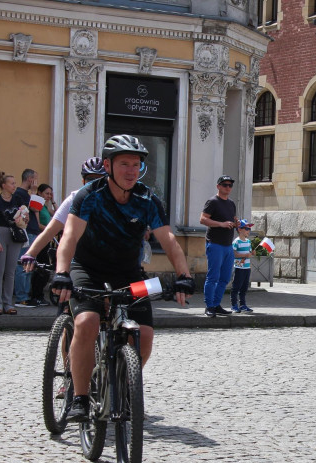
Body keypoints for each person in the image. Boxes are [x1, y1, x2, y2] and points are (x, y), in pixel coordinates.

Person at [52, 134, 194, 422]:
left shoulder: (146, 199)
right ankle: (79, 397)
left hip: (129, 274)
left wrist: (184, 276)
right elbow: (69, 237)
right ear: (108, 165)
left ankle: (122, 380)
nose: (131, 171)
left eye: (136, 164)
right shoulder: (89, 195)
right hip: (87, 270)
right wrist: (62, 273)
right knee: (87, 321)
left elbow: (169, 241)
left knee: (145, 334)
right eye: (124, 164)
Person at [21, 157, 107, 273]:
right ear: (83, 181)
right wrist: (30, 254)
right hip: (80, 260)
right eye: (90, 179)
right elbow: (51, 230)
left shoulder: (117, 200)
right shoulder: (74, 198)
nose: (94, 184)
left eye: (99, 180)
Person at [0, 172, 28, 315]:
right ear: (4, 185)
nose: (14, 186)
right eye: (12, 183)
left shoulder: (17, 199)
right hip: (1, 233)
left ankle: (8, 303)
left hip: (15, 235)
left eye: (15, 183)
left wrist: (24, 217)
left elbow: (25, 218)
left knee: (11, 272)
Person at [199, 175, 239, 318]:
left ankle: (216, 304)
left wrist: (237, 224)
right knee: (213, 277)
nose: (227, 187)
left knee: (225, 278)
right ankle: (209, 306)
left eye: (230, 185)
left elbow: (232, 220)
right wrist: (221, 224)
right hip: (215, 244)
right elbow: (203, 219)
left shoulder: (231, 203)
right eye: (224, 185)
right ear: (218, 186)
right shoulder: (212, 201)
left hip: (228, 245)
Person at [14, 168, 40, 307]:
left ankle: (26, 295)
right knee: (23, 265)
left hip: (33, 232)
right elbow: (35, 208)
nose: (36, 182)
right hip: (27, 232)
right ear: (30, 179)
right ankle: (21, 297)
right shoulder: (20, 194)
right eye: (35, 178)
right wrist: (34, 192)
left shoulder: (26, 194)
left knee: (30, 266)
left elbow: (38, 208)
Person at [230, 221, 254, 313]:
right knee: (236, 286)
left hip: (247, 268)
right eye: (247, 228)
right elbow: (233, 253)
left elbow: (249, 253)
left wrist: (252, 254)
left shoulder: (248, 241)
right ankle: (234, 305)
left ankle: (243, 304)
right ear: (240, 230)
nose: (249, 231)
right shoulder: (236, 241)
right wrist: (244, 255)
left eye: (249, 229)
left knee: (244, 287)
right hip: (239, 267)